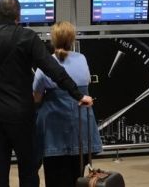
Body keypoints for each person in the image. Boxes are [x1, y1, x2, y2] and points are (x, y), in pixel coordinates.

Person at [0, 0, 93, 187]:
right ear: (19, 16)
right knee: (28, 169)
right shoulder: (27, 37)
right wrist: (78, 94)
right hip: (21, 114)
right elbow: (53, 69)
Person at [32, 21, 102, 187]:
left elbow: (36, 97)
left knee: (55, 177)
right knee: (77, 176)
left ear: (53, 40)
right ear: (72, 39)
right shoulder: (82, 59)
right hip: (80, 128)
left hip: (53, 133)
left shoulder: (47, 63)